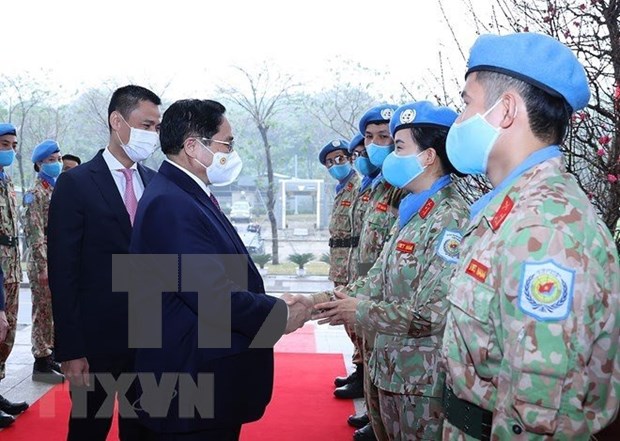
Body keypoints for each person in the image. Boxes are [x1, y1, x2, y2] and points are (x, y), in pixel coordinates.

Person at [441, 32, 620, 439]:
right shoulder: (512, 213)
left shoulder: (546, 231)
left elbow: (537, 419)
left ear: (505, 110)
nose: (459, 119)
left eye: (467, 103)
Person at [129, 98, 307, 441]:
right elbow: (212, 297)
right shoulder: (171, 203)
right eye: (228, 143)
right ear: (193, 147)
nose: (232, 153)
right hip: (190, 389)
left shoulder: (187, 194)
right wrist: (280, 313)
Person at [314, 101, 470, 440]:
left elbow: (433, 313)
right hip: (392, 371)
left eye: (398, 146)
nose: (388, 155)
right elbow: (377, 278)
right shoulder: (414, 212)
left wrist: (360, 311)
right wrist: (320, 301)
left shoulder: (449, 219)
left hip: (423, 382)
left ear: (428, 156)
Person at [48, 85, 162, 441]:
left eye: (157, 127)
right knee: (88, 430)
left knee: (144, 430)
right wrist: (71, 349)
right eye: (147, 125)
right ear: (117, 121)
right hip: (93, 345)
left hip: (149, 344)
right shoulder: (76, 184)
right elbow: (62, 272)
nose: (153, 135)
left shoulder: (156, 183)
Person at [23, 139, 64, 384]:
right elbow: (35, 232)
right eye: (51, 161)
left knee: (54, 309)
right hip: (43, 259)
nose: (56, 164)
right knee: (42, 310)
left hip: (58, 256)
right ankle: (41, 361)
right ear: (39, 164)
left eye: (57, 159)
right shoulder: (34, 194)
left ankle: (50, 356)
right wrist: (42, 265)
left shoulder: (56, 188)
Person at [0, 123, 29, 424]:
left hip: (10, 264)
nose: (9, 150)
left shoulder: (6, 180)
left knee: (6, 337)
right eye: (4, 144)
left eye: (12, 145)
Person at [319, 139, 360, 287]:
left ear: (350, 159)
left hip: (352, 267)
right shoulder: (340, 190)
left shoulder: (359, 189)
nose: (334, 165)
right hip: (339, 265)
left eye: (339, 159)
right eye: (329, 162)